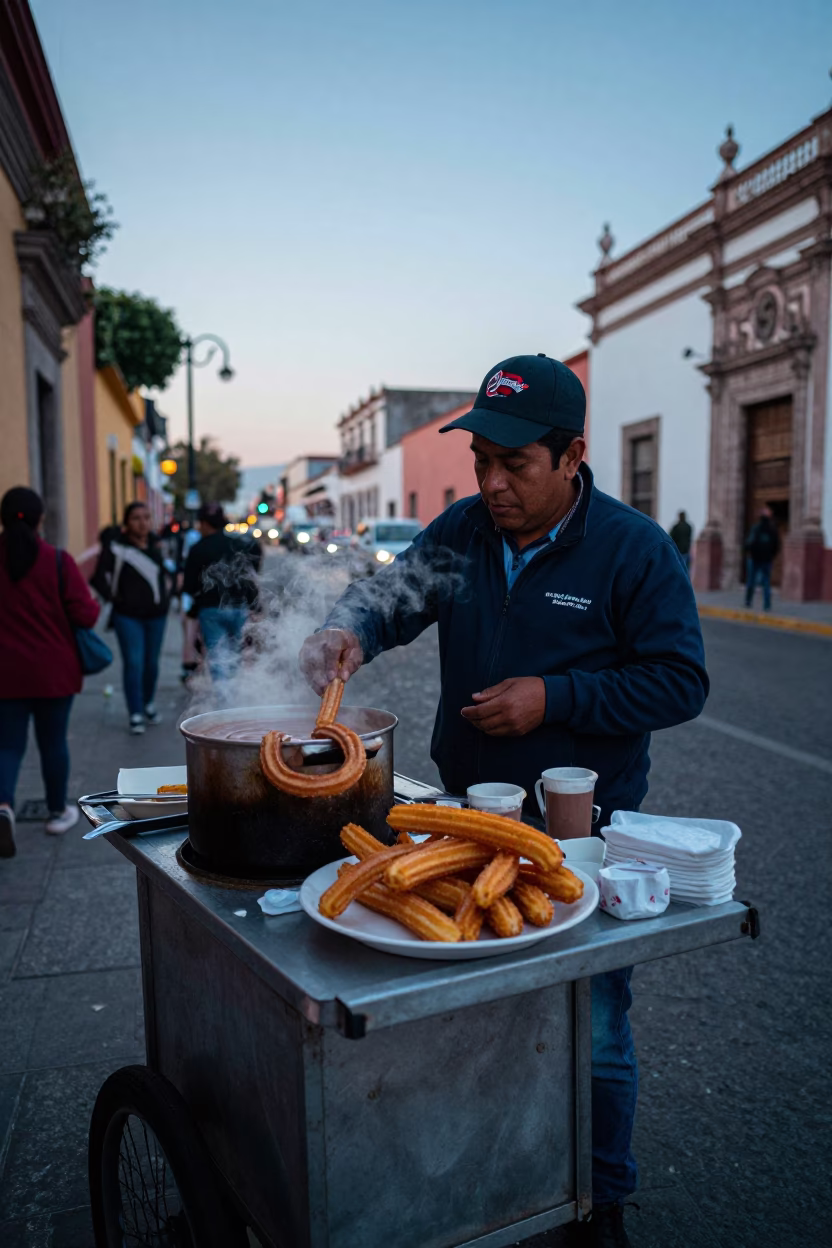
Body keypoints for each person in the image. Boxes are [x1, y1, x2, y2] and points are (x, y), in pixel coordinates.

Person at [299, 354, 708, 1248]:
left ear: (571, 457)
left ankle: (603, 1203)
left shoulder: (634, 549)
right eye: (482, 461)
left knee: (593, 1025)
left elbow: (681, 682)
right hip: (460, 827)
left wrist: (555, 698)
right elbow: (391, 594)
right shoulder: (463, 533)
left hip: (581, 839)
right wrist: (349, 628)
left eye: (514, 465)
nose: (491, 483)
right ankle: (494, 1182)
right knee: (473, 1018)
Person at [0, 487, 100, 855]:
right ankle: (58, 812)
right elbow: (86, 615)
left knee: (8, 744)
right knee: (53, 742)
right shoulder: (57, 561)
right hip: (53, 672)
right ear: (41, 518)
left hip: (5, 673)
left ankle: (3, 805)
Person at [91, 501, 172, 735]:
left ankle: (148, 703)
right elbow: (98, 579)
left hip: (157, 616)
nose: (143, 522)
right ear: (127, 522)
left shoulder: (157, 546)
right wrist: (116, 600)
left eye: (147, 517)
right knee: (134, 664)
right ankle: (135, 712)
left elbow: (166, 575)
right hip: (127, 617)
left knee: (152, 664)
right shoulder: (116, 548)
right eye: (136, 518)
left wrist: (168, 598)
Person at [183, 503, 262, 682]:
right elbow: (251, 571)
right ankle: (234, 702)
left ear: (203, 523)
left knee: (219, 661)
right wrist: (254, 605)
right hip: (239, 608)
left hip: (211, 610)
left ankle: (224, 705)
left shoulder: (198, 549)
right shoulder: (238, 544)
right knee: (236, 658)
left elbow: (189, 587)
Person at [744, 507, 779, 611]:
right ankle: (767, 605)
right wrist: (771, 555)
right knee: (766, 582)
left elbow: (749, 543)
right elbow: (776, 546)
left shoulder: (756, 528)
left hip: (754, 559)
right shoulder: (773, 530)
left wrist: (748, 551)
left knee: (751, 581)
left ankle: (748, 601)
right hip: (767, 559)